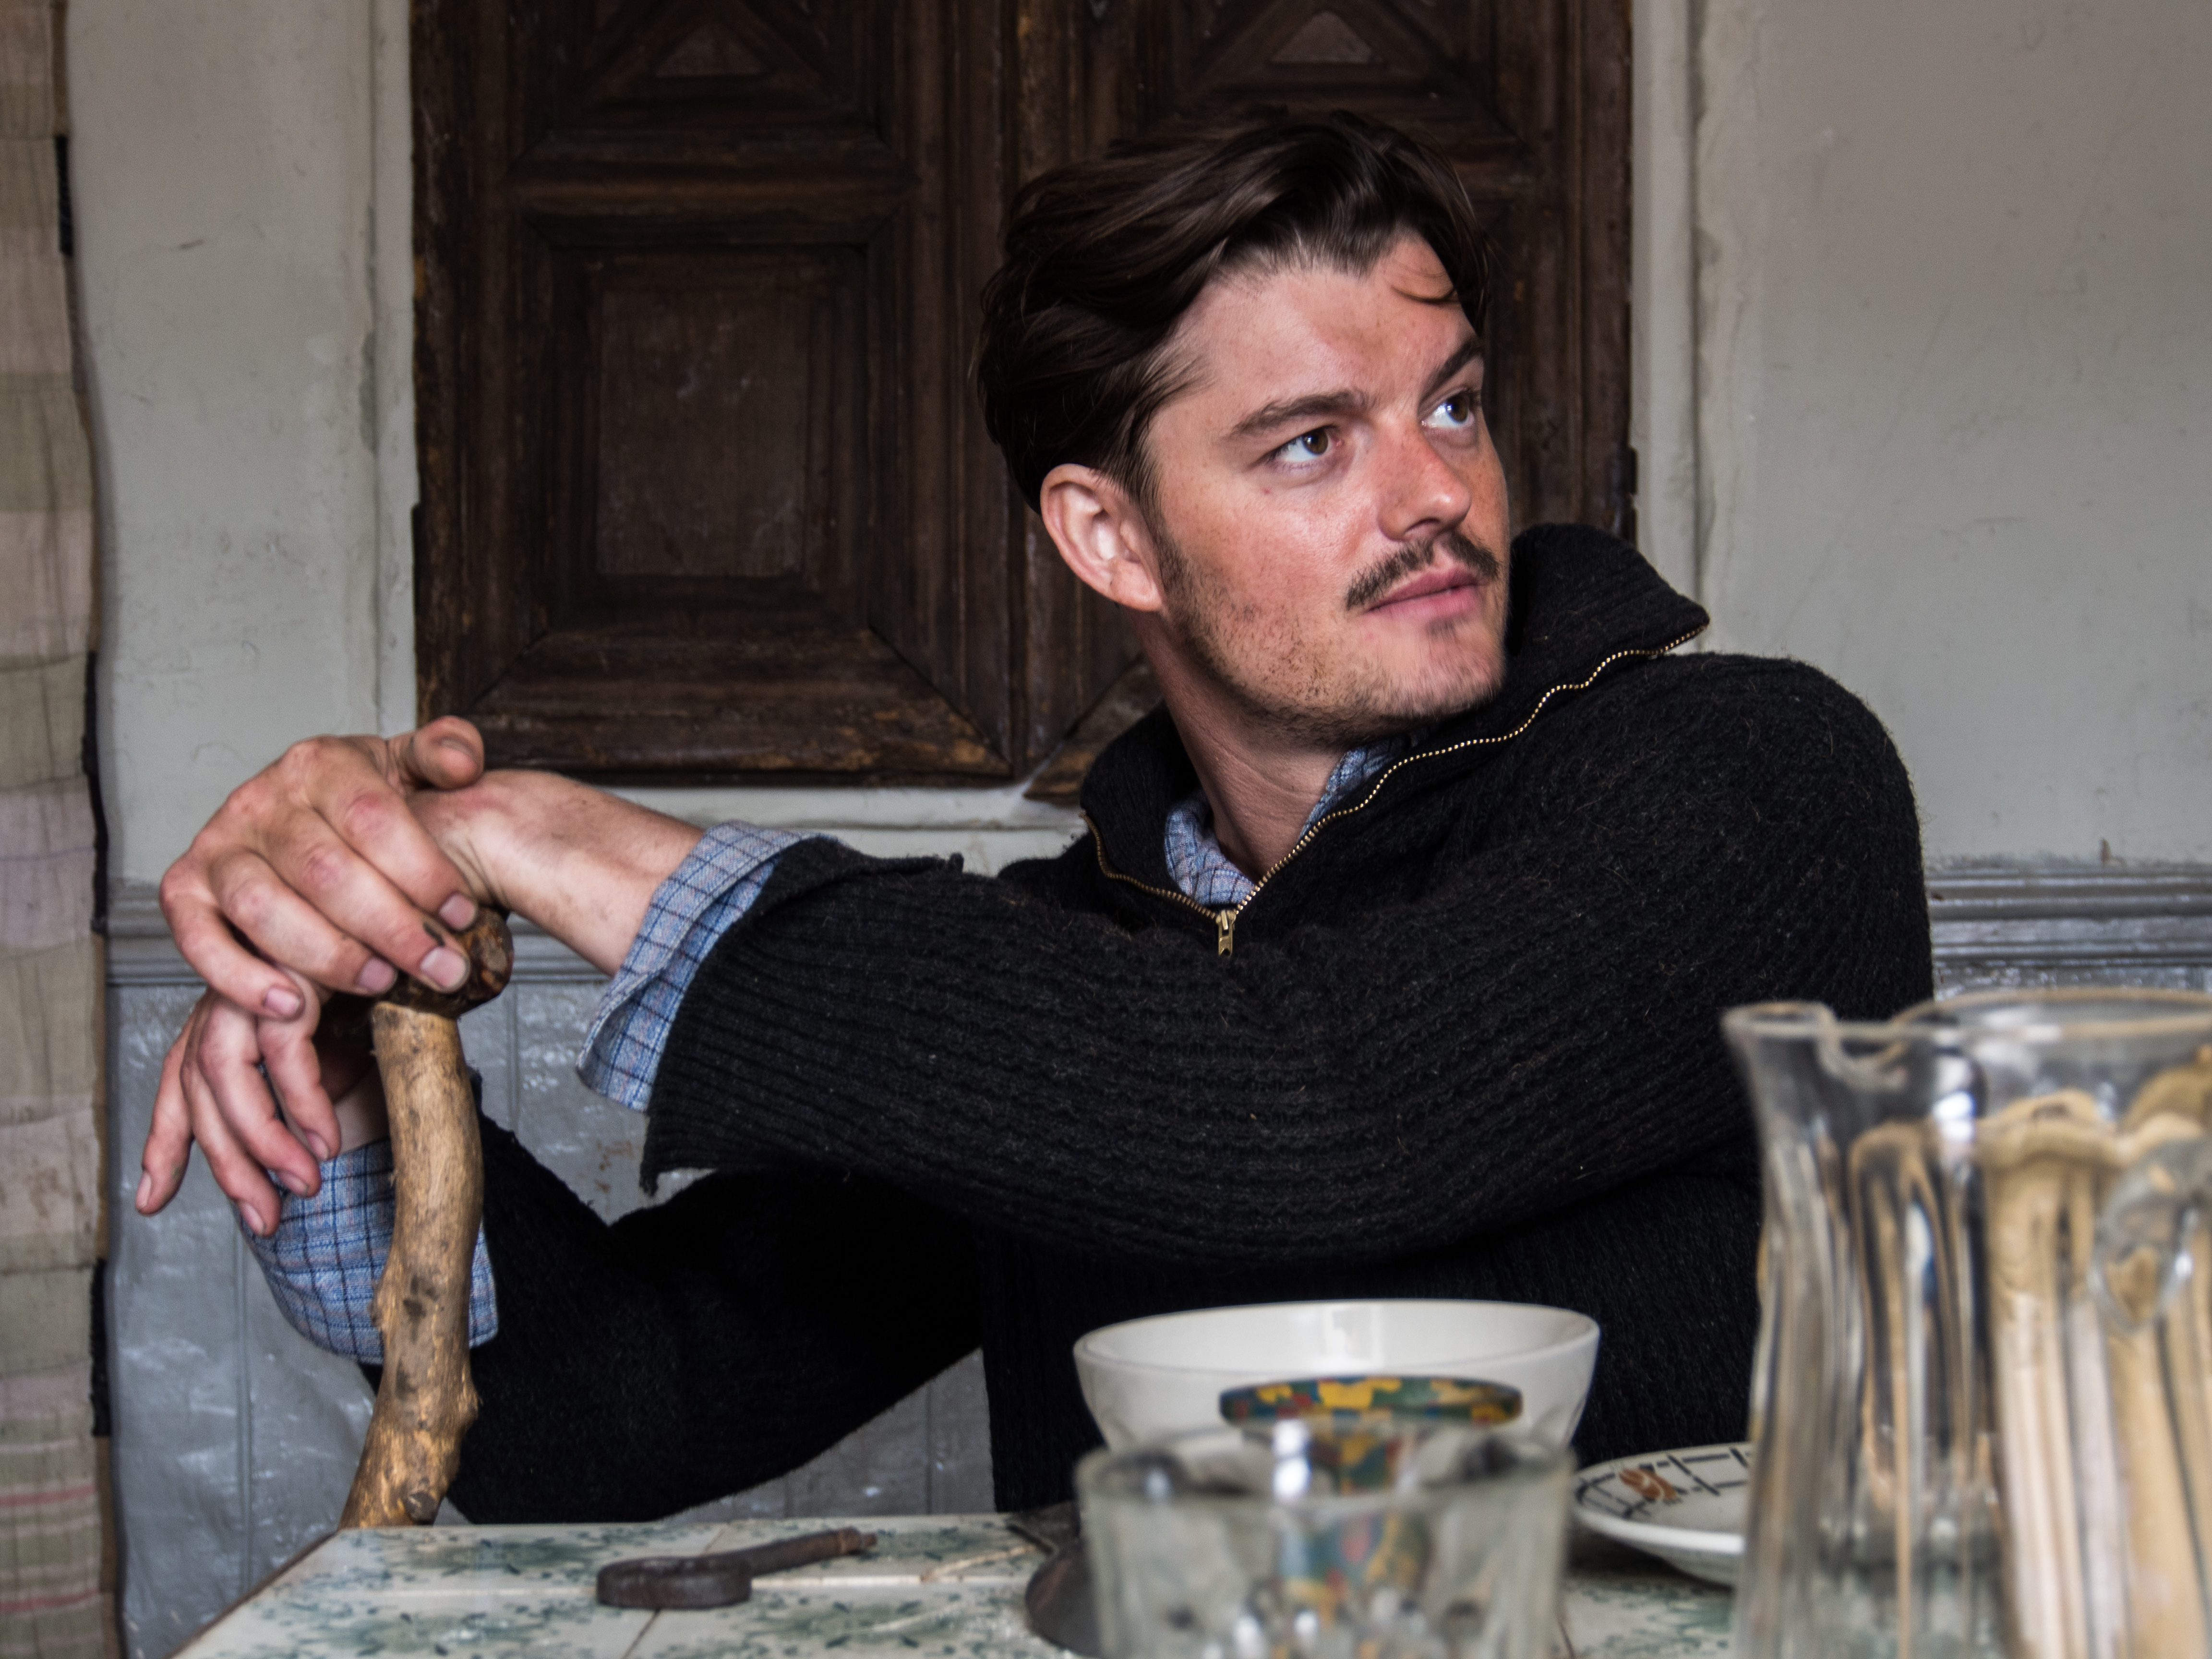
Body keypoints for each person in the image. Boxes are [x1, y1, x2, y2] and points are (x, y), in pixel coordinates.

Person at [137, 113, 1934, 1518]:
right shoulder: (1071, 979)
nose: (1434, 494)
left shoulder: (1760, 775)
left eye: (1451, 404)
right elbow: (611, 1422)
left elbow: (1314, 1120)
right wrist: (347, 1081)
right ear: (1110, 537)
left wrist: (569, 842)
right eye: (1313, 441)